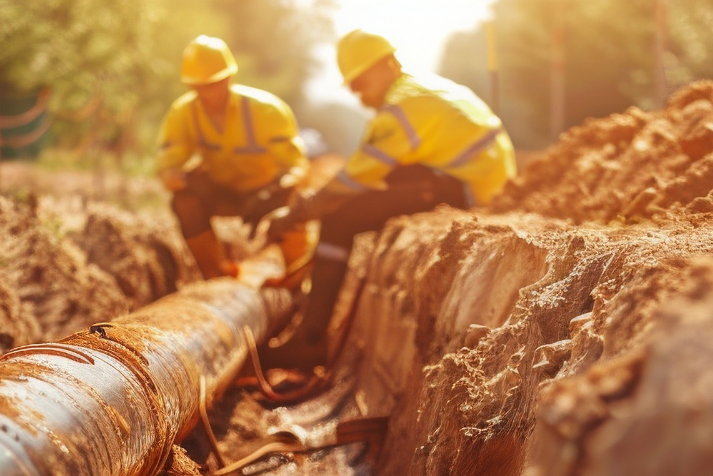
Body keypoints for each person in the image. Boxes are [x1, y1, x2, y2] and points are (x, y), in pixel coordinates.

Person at [263, 29, 516, 366]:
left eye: (359, 81)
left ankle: (310, 340)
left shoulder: (400, 109)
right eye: (351, 85)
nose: (356, 92)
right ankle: (309, 328)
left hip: (470, 187)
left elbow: (354, 178)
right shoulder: (421, 89)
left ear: (389, 64)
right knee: (363, 196)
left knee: (340, 220)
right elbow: (367, 175)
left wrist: (297, 213)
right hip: (479, 179)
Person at [155, 36, 312, 280]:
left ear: (229, 78)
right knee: (184, 201)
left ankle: (298, 280)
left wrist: (279, 188)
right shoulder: (182, 114)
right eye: (198, 86)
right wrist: (180, 179)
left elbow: (297, 166)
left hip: (266, 192)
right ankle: (214, 274)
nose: (206, 93)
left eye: (212, 84)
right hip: (221, 193)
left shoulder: (268, 111)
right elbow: (167, 168)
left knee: (294, 202)